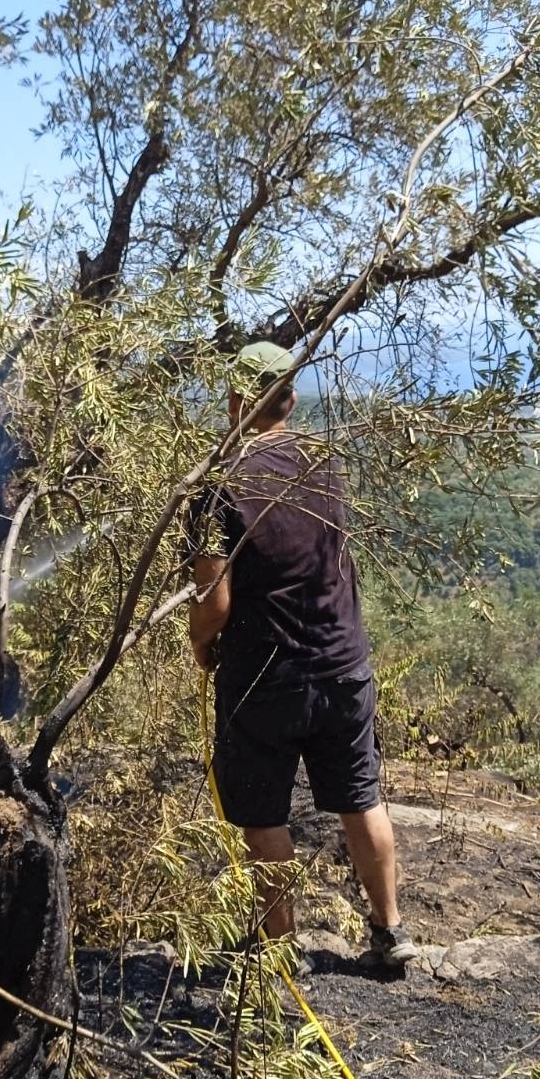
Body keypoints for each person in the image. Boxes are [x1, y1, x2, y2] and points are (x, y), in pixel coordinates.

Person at [187, 341, 417, 968]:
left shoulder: (216, 487)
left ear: (237, 400)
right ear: (289, 398)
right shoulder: (326, 461)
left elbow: (213, 601)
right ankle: (391, 933)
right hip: (343, 664)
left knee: (263, 813)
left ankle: (278, 953)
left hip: (267, 677)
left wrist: (201, 643)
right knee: (360, 798)